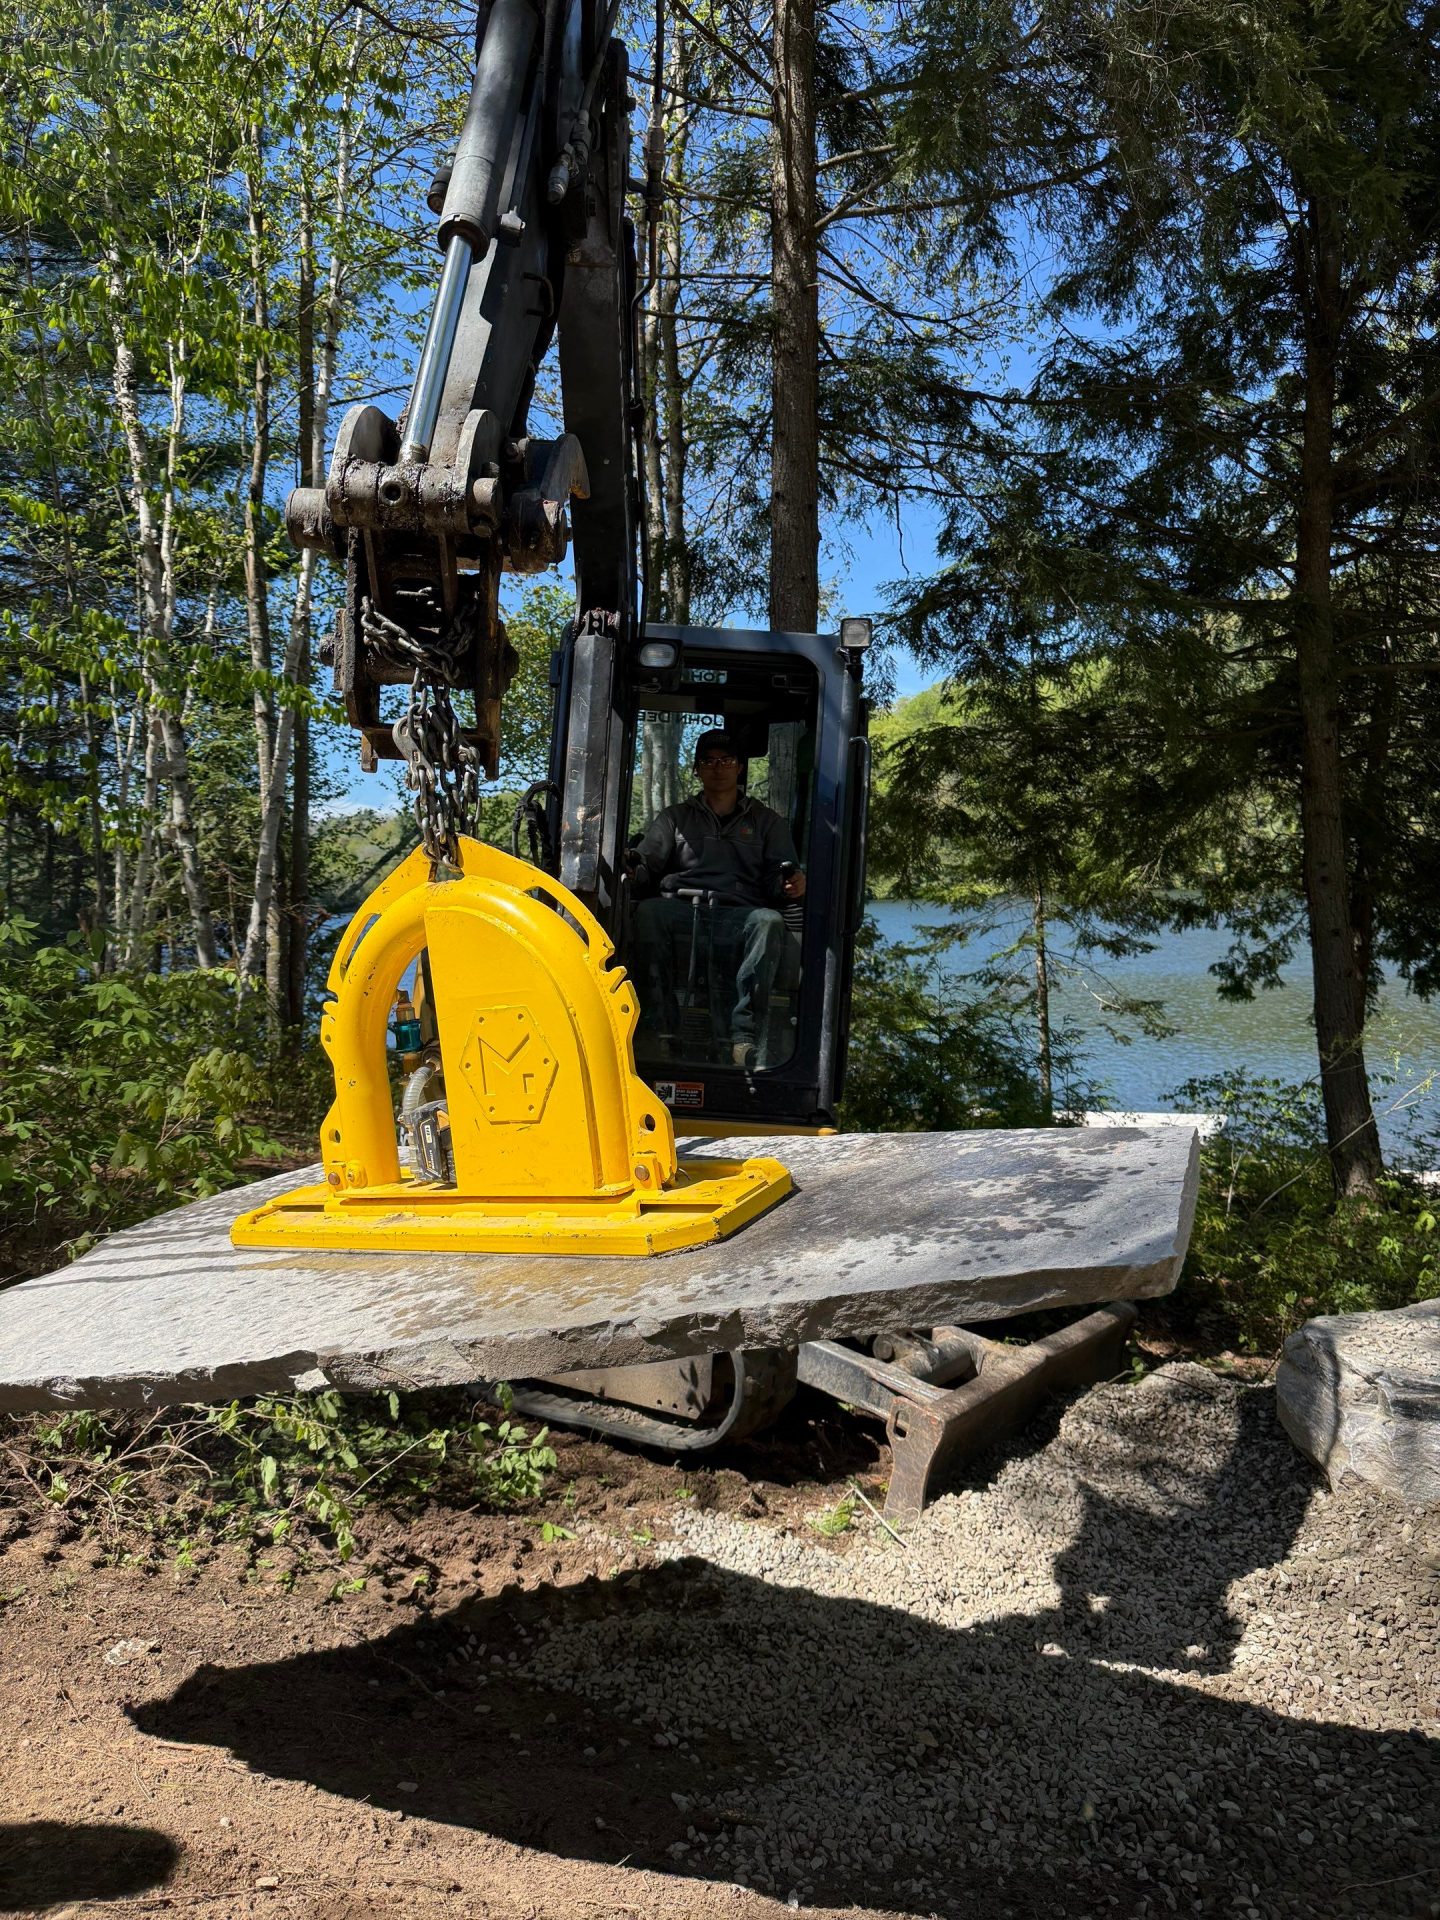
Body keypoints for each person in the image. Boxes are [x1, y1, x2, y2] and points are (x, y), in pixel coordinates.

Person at [626, 730, 805, 1067]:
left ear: (740, 768)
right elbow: (646, 866)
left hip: (738, 915)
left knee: (768, 921)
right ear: (696, 769)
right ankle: (659, 1029)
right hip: (681, 910)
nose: (717, 768)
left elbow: (777, 879)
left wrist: (791, 884)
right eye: (708, 761)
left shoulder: (767, 823)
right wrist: (634, 867)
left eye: (726, 760)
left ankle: (743, 1038)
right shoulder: (675, 818)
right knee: (648, 912)